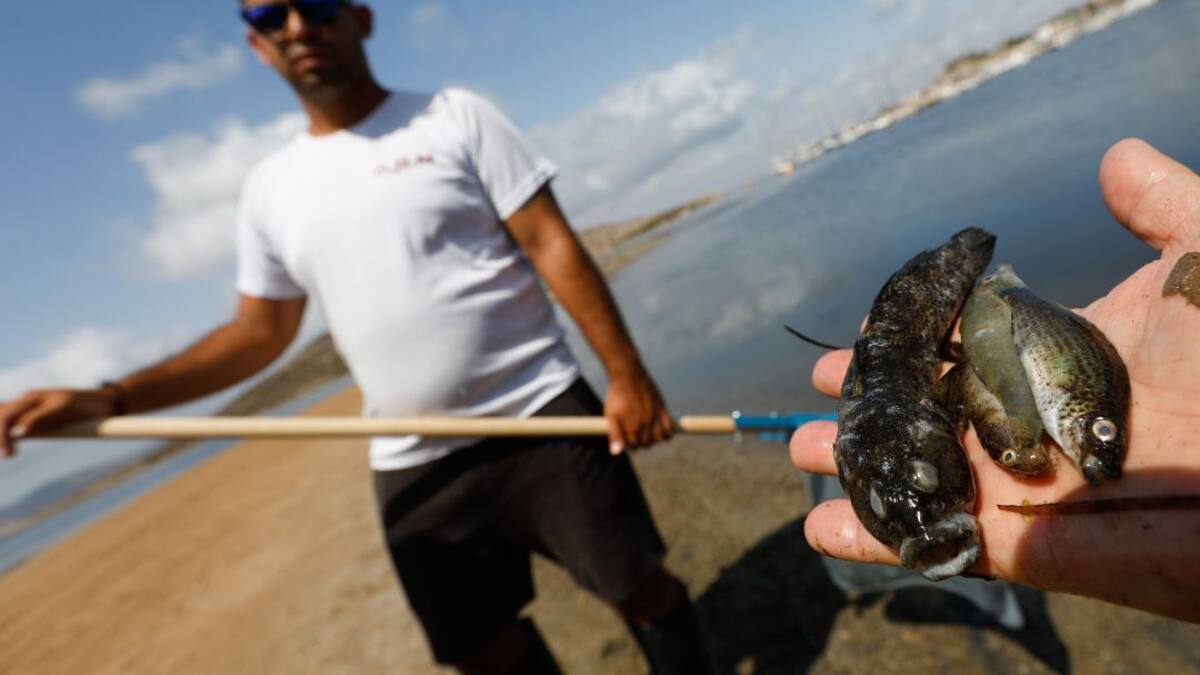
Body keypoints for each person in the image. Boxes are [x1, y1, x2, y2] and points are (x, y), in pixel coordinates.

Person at [0, 2, 716, 672]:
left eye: (315, 3)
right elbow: (257, 333)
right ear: (256, 44)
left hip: (541, 411)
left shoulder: (453, 116)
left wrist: (627, 374)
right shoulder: (270, 188)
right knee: (480, 648)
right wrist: (109, 397)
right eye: (268, 14)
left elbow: (549, 241)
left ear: (360, 19)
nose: (296, 25)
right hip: (411, 452)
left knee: (640, 589)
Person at [790, 137, 1200, 625]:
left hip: (898, 355)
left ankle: (964, 256)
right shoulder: (910, 438)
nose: (922, 523)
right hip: (895, 368)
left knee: (969, 251)